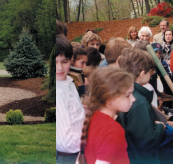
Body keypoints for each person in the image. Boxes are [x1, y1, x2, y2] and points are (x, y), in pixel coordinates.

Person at [117, 48, 173, 164]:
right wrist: (160, 127)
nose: (153, 73)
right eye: (150, 70)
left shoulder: (130, 93)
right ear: (141, 74)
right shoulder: (139, 101)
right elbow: (147, 139)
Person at [82, 67, 135, 164]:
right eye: (128, 95)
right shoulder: (113, 130)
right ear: (109, 97)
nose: (133, 99)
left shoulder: (91, 117)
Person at [55, 20, 85, 164]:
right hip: (67, 156)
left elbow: (75, 115)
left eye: (64, 62)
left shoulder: (69, 83)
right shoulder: (58, 93)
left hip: (78, 151)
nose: (59, 68)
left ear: (71, 60)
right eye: (55, 62)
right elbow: (65, 141)